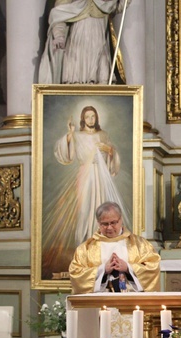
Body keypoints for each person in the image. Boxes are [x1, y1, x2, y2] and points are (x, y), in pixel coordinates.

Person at [69, 201, 160, 338]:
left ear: (121, 221)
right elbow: (76, 275)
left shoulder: (138, 245)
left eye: (113, 222)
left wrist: (128, 268)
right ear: (98, 224)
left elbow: (153, 267)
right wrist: (103, 271)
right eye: (104, 224)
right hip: (102, 316)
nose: (109, 227)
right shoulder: (87, 248)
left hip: (132, 316)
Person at [42, 105, 129, 278]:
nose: (91, 119)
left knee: (102, 206)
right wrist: (69, 134)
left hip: (101, 176)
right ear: (83, 118)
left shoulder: (103, 135)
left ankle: (104, 248)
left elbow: (112, 154)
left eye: (93, 116)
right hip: (85, 176)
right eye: (88, 116)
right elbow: (66, 154)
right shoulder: (77, 136)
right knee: (84, 211)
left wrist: (109, 151)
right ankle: (85, 248)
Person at [38, 0, 128, 84]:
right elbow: (59, 14)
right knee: (76, 76)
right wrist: (59, 35)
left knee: (102, 74)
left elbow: (116, 6)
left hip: (99, 41)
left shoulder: (104, 3)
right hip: (78, 40)